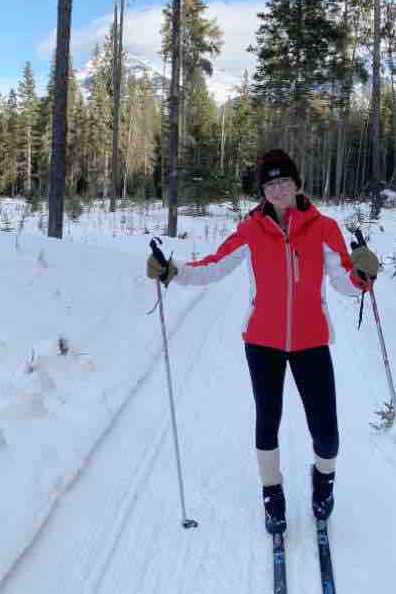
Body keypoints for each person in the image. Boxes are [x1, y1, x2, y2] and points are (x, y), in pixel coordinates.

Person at [146, 149, 379, 534]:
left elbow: (343, 280)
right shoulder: (251, 230)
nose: (277, 189)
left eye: (284, 181)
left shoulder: (324, 227)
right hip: (263, 342)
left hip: (311, 341)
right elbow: (214, 266)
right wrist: (173, 271)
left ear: (297, 184)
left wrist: (362, 276)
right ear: (263, 190)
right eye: (270, 184)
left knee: (326, 432)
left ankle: (324, 481)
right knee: (267, 421)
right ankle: (272, 493)